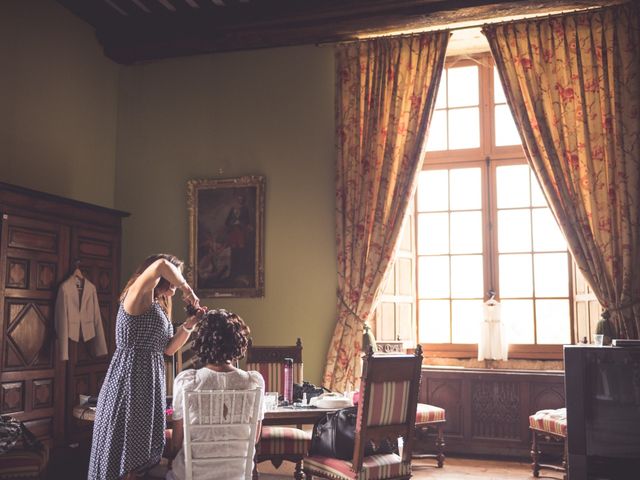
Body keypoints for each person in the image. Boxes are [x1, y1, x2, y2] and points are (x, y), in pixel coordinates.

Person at [88, 254, 202, 480]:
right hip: (129, 378)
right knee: (126, 448)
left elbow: (168, 349)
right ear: (161, 278)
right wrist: (188, 289)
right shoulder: (138, 294)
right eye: (174, 280)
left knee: (137, 452)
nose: (176, 288)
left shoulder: (158, 305)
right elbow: (160, 265)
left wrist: (190, 325)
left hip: (149, 380)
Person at [166, 309, 265, 480]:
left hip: (192, 475)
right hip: (236, 475)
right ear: (238, 342)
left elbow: (176, 444)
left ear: (202, 342)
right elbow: (254, 438)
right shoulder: (253, 382)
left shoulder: (187, 381)